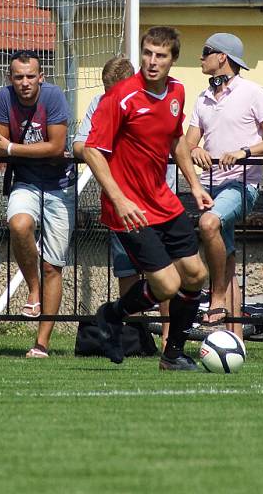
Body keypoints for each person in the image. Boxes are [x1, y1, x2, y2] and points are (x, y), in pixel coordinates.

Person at [84, 26, 212, 371]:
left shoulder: (177, 92)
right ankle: (113, 314)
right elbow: (93, 151)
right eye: (147, 53)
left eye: (161, 55)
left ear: (173, 60)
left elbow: (175, 140)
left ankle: (172, 356)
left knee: (196, 275)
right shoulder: (121, 97)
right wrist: (120, 200)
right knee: (168, 284)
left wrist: (195, 185)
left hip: (162, 200)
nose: (152, 62)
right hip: (128, 206)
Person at [185, 33, 263, 338]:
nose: (200, 58)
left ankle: (215, 299)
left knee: (209, 223)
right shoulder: (202, 98)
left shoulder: (254, 92)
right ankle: (235, 337)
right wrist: (195, 150)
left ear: (222, 57)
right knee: (226, 256)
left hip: (242, 185)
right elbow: (187, 143)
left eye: (206, 52)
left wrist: (245, 152)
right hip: (209, 185)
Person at [0, 50, 76, 358]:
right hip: (25, 181)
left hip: (59, 185)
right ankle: (33, 288)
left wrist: (14, 147)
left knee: (53, 265)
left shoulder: (54, 97)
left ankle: (42, 343)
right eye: (18, 77)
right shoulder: (3, 98)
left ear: (41, 77)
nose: (24, 83)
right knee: (19, 223)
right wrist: (14, 149)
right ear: (9, 79)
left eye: (30, 76)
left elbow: (56, 146)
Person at [73, 56, 138, 297]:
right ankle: (133, 333)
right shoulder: (100, 103)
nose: (112, 99)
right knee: (126, 270)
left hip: (154, 199)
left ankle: (167, 335)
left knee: (162, 272)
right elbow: (78, 146)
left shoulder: (150, 103)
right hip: (117, 198)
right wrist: (98, 147)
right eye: (107, 92)